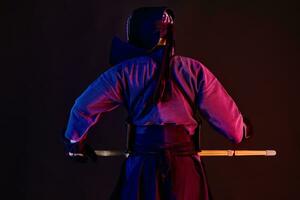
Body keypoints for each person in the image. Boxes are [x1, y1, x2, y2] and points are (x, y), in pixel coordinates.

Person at [63, 6, 249, 200]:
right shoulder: (195, 71)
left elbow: (83, 107)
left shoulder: (124, 72)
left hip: (141, 170)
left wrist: (75, 140)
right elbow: (234, 131)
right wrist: (242, 128)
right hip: (185, 173)